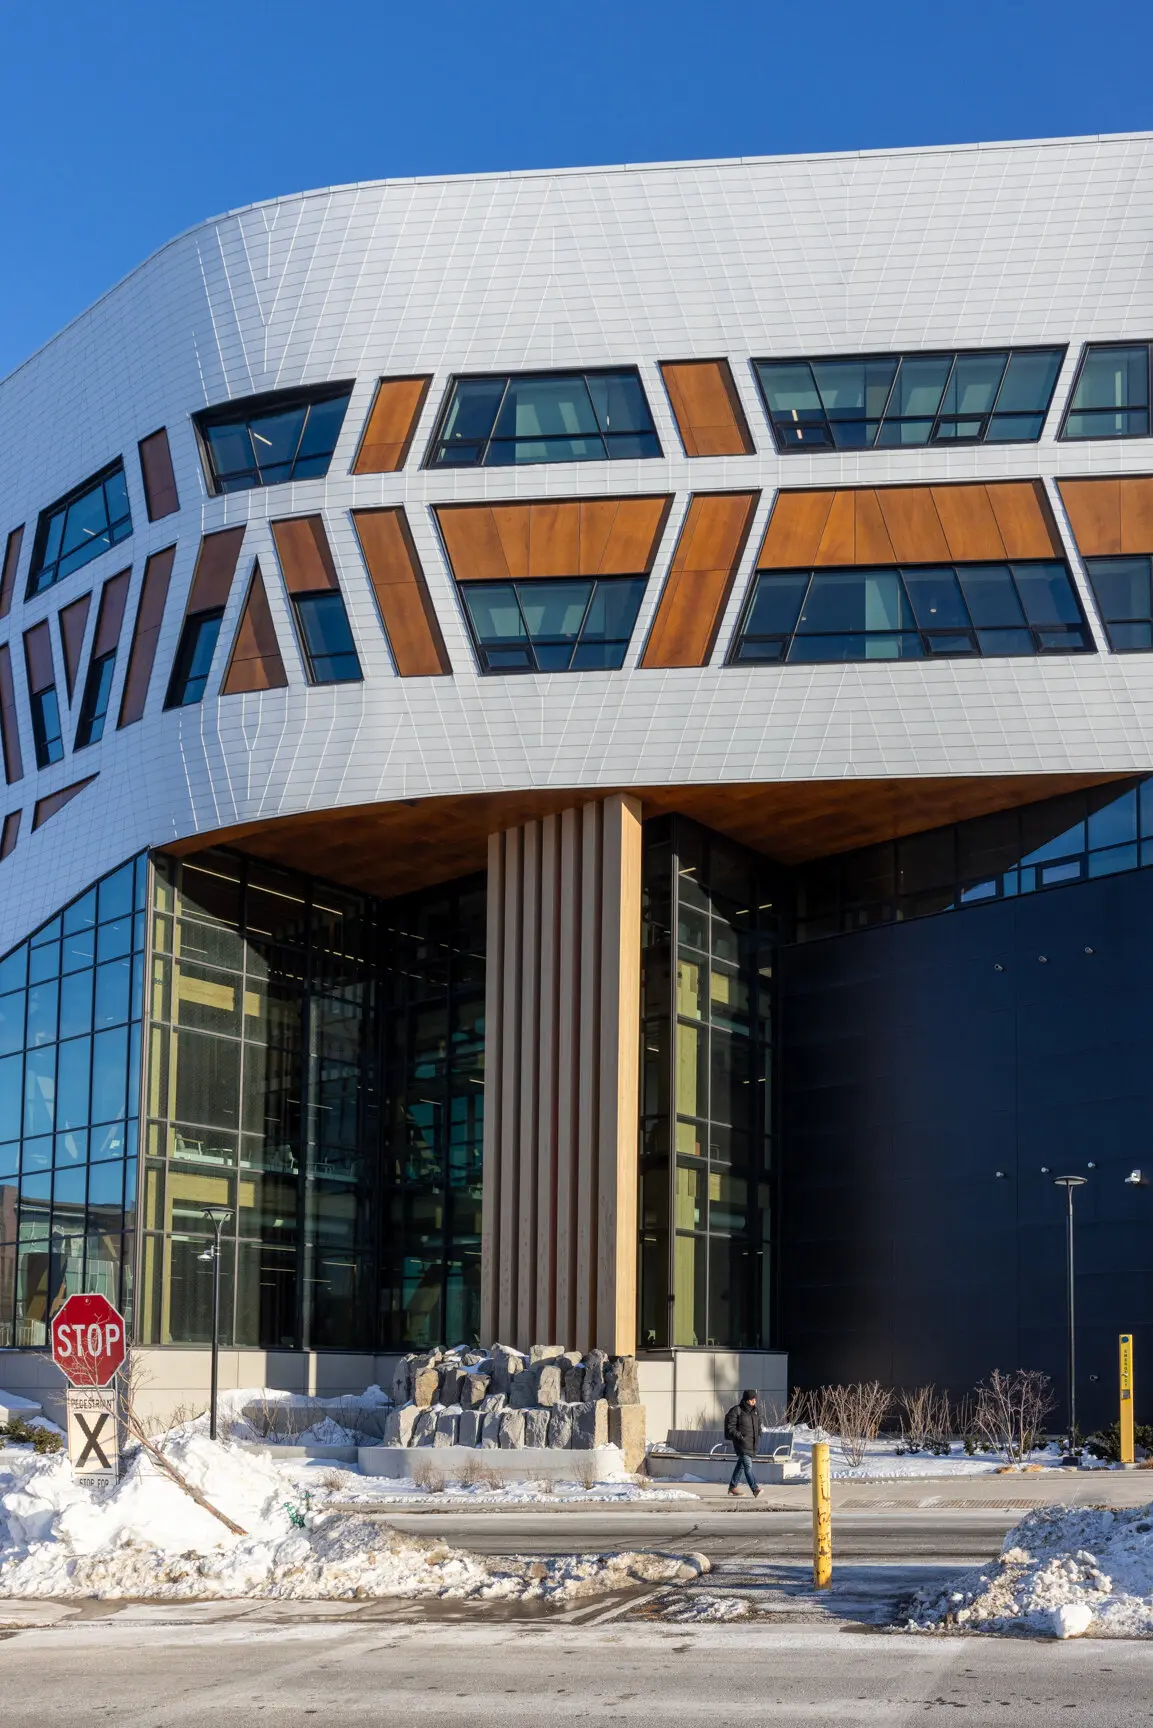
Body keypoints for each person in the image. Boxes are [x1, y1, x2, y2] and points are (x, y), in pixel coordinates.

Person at [724, 1389, 762, 1497]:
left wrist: (759, 1431)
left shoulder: (755, 1411)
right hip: (741, 1443)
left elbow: (758, 1423)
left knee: (741, 1465)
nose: (754, 1401)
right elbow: (730, 1427)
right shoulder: (737, 1410)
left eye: (754, 1399)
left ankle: (732, 1487)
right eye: (751, 1399)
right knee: (747, 1466)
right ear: (746, 1400)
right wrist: (739, 1436)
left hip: (751, 1444)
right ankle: (755, 1489)